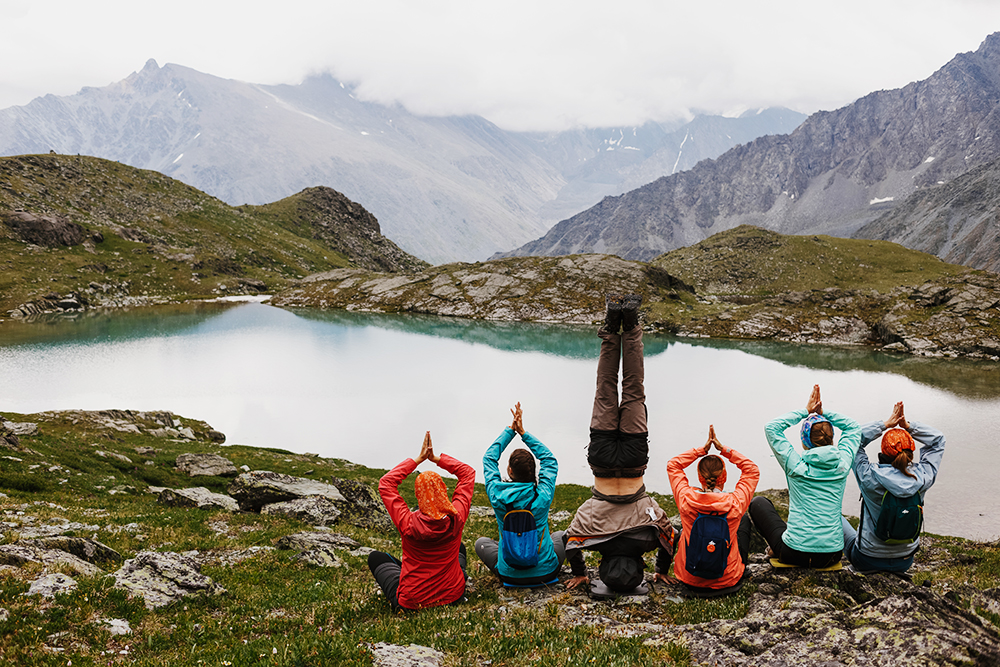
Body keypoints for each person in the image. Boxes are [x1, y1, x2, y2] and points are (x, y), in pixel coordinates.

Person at [565, 294, 679, 595]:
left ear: (640, 567)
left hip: (633, 458)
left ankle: (631, 325)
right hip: (602, 459)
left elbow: (671, 538)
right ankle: (611, 325)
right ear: (600, 569)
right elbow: (570, 542)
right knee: (605, 387)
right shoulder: (592, 533)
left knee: (634, 388)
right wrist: (579, 573)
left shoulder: (647, 536)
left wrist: (660, 571)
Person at [749, 384, 861, 568]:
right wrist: (824, 413)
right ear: (832, 439)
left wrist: (806, 411)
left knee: (759, 503)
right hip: (831, 555)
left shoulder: (796, 466)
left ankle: (774, 549)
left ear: (804, 441)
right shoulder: (842, 464)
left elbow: (772, 428)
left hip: (795, 553)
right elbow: (854, 428)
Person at [367, 431, 475, 611]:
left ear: (418, 495)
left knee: (376, 558)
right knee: (460, 548)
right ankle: (454, 583)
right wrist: (436, 458)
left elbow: (386, 483)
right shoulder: (457, 517)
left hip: (413, 602)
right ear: (442, 490)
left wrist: (418, 459)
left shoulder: (407, 522)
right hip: (452, 595)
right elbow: (468, 474)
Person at [842, 401, 946, 573]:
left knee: (835, 517)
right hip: (904, 561)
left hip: (867, 559)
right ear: (911, 453)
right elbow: (938, 440)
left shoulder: (869, 476)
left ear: (883, 452)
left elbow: (851, 438)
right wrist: (909, 427)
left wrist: (884, 425)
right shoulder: (923, 476)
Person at [476, 402, 565, 587]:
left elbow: (489, 459)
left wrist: (510, 431)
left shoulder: (497, 495)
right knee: (560, 535)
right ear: (533, 472)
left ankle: (511, 565)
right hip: (547, 573)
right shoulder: (543, 495)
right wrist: (524, 433)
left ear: (509, 471)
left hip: (509, 575)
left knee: (481, 543)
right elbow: (549, 460)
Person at [668, 425, 759, 595]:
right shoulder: (735, 502)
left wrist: (701, 450)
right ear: (723, 477)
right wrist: (723, 449)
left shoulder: (686, 499)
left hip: (689, 578)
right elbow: (751, 470)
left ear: (700, 477)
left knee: (684, 531)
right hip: (728, 580)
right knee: (743, 520)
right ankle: (740, 567)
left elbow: (673, 465)